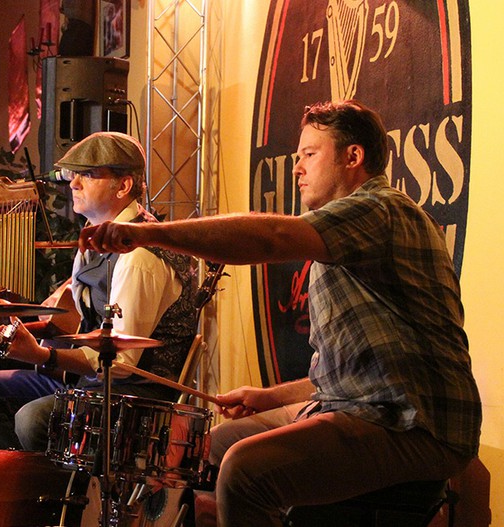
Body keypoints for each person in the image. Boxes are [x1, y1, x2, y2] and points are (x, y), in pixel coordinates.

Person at [79, 100, 482, 526]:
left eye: (309, 154)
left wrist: (145, 233)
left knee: (244, 472)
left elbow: (271, 236)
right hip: (365, 406)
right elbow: (354, 372)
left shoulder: (380, 208)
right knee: (211, 446)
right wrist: (270, 397)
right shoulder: (348, 231)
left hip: (415, 424)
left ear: (353, 157)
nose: (297, 168)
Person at [0, 131, 199, 451]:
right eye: (74, 175)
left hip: (133, 396)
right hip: (88, 382)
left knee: (32, 420)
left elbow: (120, 361)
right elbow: (82, 322)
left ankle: (51, 480)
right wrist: (23, 328)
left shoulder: (139, 256)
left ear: (123, 186)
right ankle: (25, 477)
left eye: (87, 175)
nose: (73, 184)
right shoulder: (95, 240)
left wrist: (42, 355)